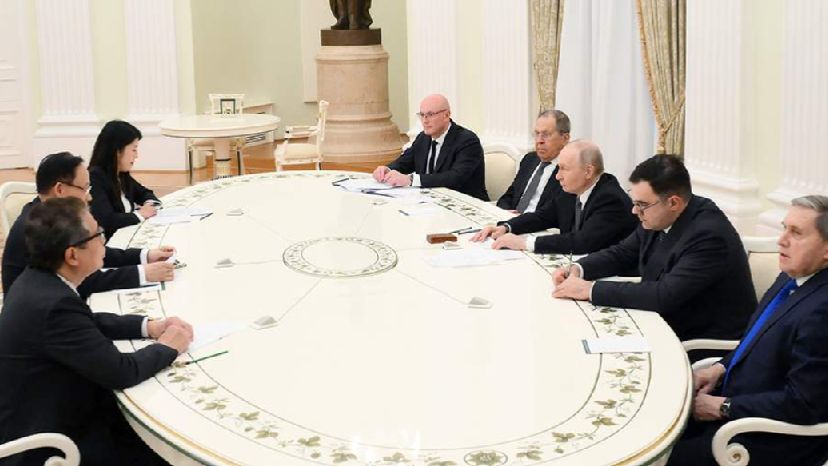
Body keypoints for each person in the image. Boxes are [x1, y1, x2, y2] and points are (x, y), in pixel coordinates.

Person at [0, 197, 192, 465]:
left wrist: (147, 326)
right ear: (72, 255)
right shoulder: (54, 304)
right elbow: (122, 371)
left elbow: (85, 323)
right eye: (98, 234)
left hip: (50, 409)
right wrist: (168, 347)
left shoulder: (38, 281)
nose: (104, 240)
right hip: (52, 443)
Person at [668, 195, 828, 466]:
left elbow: (804, 403)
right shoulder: (792, 275)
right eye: (784, 228)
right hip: (736, 403)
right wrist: (719, 368)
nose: (782, 240)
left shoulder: (823, 310)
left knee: (661, 458)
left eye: (797, 233)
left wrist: (724, 407)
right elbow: (756, 339)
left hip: (768, 437)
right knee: (654, 424)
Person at [552, 154, 756, 342]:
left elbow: (664, 295)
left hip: (698, 341)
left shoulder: (709, 235)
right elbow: (622, 253)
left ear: (673, 203)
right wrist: (579, 268)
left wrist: (589, 289)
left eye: (641, 204)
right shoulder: (659, 216)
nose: (634, 211)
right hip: (661, 321)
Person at [2, 152, 175, 297]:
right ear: (60, 190)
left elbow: (89, 251)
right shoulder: (40, 227)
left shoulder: (49, 214)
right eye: (84, 189)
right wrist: (142, 273)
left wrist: (145, 255)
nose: (89, 197)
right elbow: (81, 281)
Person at [471, 140, 637, 255]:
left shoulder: (610, 198)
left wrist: (525, 243)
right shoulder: (572, 190)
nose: (558, 176)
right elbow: (543, 216)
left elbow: (582, 242)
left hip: (615, 277)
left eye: (564, 169)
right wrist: (506, 227)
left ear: (588, 171)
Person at [372, 94, 489, 201]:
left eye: (430, 115)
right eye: (422, 115)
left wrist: (411, 180)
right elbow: (404, 162)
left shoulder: (467, 141)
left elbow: (455, 178)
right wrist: (387, 169)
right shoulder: (423, 138)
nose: (425, 121)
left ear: (446, 115)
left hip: (465, 204)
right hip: (428, 203)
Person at [89, 120, 160, 239]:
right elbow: (107, 220)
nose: (136, 156)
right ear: (117, 151)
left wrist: (149, 205)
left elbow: (144, 193)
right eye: (133, 149)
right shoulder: (95, 178)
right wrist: (139, 214)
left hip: (128, 235)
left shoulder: (121, 174)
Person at [495, 110, 570, 214]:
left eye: (546, 134)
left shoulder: (569, 169)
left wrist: (521, 220)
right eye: (537, 134)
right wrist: (506, 213)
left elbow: (555, 213)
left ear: (565, 138)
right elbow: (509, 196)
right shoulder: (529, 159)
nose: (539, 140)